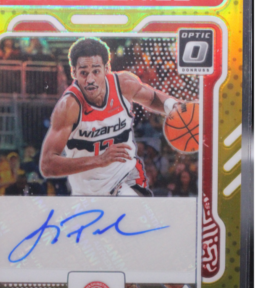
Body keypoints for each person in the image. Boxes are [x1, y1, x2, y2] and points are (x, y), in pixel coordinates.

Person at [39, 37, 181, 197]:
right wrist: (99, 160)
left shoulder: (123, 85)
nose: (90, 79)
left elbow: (152, 98)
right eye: (84, 73)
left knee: (133, 203)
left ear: (107, 69)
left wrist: (174, 106)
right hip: (87, 191)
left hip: (126, 177)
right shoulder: (69, 106)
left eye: (96, 71)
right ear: (74, 73)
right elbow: (47, 165)